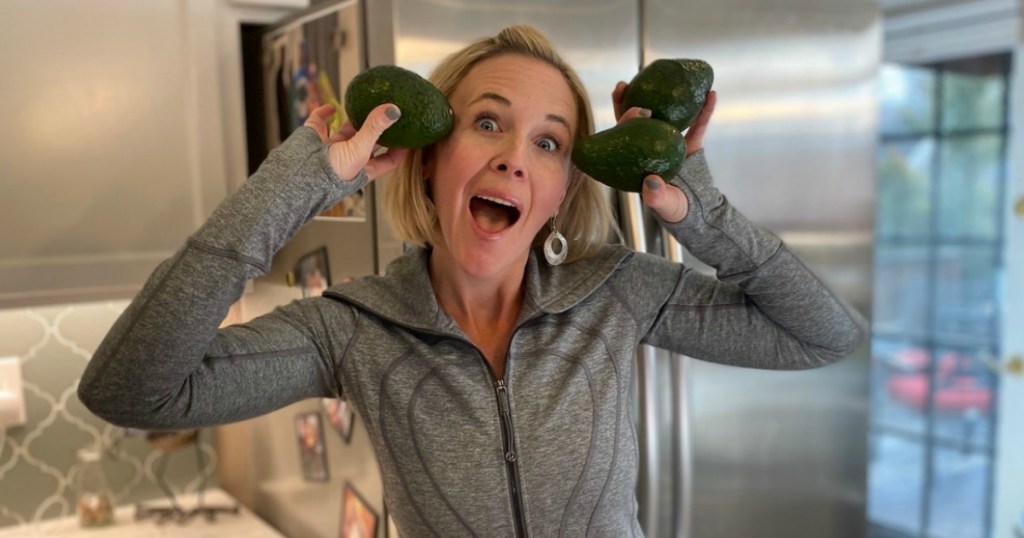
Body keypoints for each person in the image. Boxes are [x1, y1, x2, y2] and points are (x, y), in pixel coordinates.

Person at [79, 25, 867, 537]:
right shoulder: (349, 328)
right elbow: (129, 390)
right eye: (487, 122)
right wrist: (297, 185)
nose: (515, 158)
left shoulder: (618, 290)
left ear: (562, 190)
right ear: (427, 156)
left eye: (550, 142)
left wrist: (701, 207)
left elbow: (824, 335)